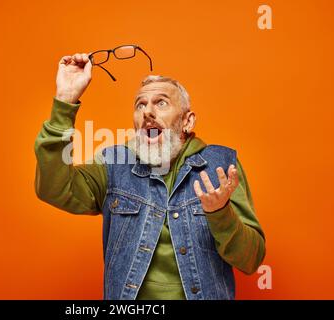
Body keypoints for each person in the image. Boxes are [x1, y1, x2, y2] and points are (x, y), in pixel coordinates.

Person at [34, 52, 266, 300]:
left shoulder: (221, 167)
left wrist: (221, 214)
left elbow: (251, 260)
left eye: (161, 103)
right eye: (140, 105)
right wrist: (65, 101)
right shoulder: (113, 165)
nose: (147, 112)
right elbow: (53, 187)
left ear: (187, 121)